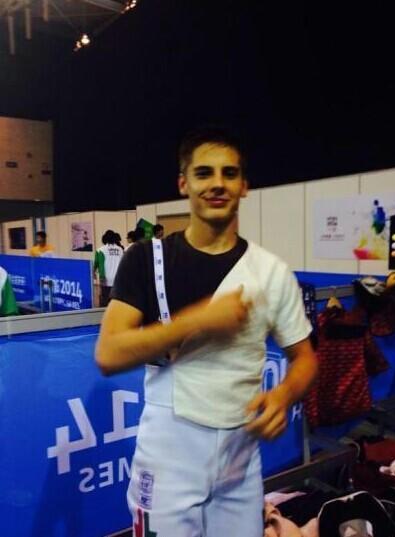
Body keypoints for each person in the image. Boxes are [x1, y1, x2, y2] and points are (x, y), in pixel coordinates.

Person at [95, 126, 318, 536]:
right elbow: (108, 354)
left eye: (229, 173)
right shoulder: (146, 259)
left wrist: (284, 395)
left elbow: (304, 357)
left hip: (240, 460)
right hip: (169, 456)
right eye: (203, 173)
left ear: (244, 186)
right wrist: (198, 320)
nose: (217, 184)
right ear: (184, 183)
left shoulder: (270, 271)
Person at [93, 230, 123, 307]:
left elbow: (99, 264)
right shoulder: (120, 249)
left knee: (105, 299)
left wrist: (95, 273)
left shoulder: (100, 250)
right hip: (118, 279)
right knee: (116, 300)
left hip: (106, 279)